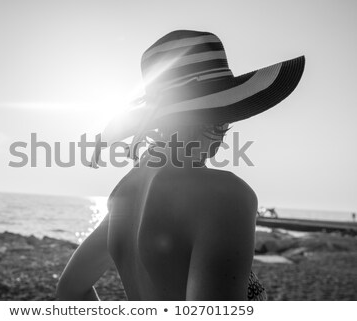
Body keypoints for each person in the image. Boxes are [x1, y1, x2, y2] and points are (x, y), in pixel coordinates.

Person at [56, 30, 305, 300]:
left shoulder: (123, 195)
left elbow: (70, 289)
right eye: (226, 116)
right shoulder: (224, 194)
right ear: (213, 115)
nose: (225, 130)